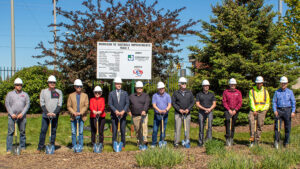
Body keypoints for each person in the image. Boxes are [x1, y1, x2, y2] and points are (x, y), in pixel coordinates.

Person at [37, 75, 63, 152]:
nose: (52, 83)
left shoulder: (58, 92)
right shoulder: (43, 91)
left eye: (54, 82)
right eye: (51, 82)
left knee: (53, 130)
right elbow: (42, 103)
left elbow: (60, 104)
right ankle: (40, 147)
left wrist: (55, 113)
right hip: (46, 115)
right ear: (48, 83)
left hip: (55, 115)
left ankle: (51, 145)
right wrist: (47, 112)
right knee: (43, 130)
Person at [5, 78, 30, 154]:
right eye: (17, 85)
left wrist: (22, 113)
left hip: (22, 117)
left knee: (22, 132)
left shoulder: (25, 94)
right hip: (12, 116)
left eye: (20, 85)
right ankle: (9, 149)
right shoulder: (10, 94)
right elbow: (7, 104)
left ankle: (22, 147)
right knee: (10, 132)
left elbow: (27, 104)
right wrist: (11, 113)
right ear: (15, 86)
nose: (19, 86)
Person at [272, 76, 296, 148]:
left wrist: (293, 111)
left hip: (287, 111)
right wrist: (275, 110)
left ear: (287, 84)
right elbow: (274, 102)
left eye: (285, 83)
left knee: (287, 127)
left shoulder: (290, 92)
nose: (283, 85)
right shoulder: (277, 92)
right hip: (279, 111)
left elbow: (293, 102)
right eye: (282, 83)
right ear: (280, 83)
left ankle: (286, 142)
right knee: (277, 127)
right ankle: (276, 141)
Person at [172, 77, 195, 148]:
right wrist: (179, 109)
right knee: (177, 128)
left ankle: (187, 141)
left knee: (187, 128)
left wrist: (188, 109)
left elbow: (193, 102)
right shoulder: (176, 93)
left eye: (185, 83)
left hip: (187, 113)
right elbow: (173, 103)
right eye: (182, 83)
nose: (184, 84)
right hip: (178, 114)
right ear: (179, 84)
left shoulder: (189, 92)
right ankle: (176, 142)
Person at [67, 79, 89, 150]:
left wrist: (80, 112)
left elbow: (86, 105)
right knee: (73, 132)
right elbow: (68, 106)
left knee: (81, 132)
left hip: (82, 116)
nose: (79, 87)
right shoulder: (71, 95)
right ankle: (74, 145)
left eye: (80, 86)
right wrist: (74, 113)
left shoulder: (85, 95)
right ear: (74, 87)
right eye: (77, 86)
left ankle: (80, 145)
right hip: (73, 117)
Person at [108, 77, 129, 150]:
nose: (119, 85)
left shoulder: (125, 93)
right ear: (115, 84)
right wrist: (115, 111)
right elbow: (110, 104)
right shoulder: (111, 93)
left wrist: (123, 111)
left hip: (123, 115)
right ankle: (114, 144)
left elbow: (127, 103)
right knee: (114, 130)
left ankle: (123, 144)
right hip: (114, 115)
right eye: (117, 84)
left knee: (123, 130)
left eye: (120, 84)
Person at [248, 76, 270, 147]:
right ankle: (252, 140)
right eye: (257, 83)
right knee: (252, 124)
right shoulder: (252, 91)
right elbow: (251, 101)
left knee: (260, 125)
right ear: (256, 83)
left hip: (262, 110)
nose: (259, 84)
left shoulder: (265, 91)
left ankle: (257, 141)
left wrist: (265, 110)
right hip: (253, 110)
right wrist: (254, 110)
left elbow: (267, 102)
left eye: (260, 83)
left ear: (262, 83)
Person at [128, 81, 150, 146]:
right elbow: (127, 104)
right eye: (138, 88)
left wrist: (144, 110)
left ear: (142, 88)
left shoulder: (146, 96)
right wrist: (128, 111)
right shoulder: (131, 96)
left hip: (144, 115)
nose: (139, 89)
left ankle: (144, 140)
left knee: (144, 127)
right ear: (136, 88)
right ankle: (139, 140)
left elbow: (147, 104)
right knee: (137, 129)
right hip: (135, 115)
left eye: (141, 88)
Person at [195, 80, 216, 147]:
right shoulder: (199, 94)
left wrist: (209, 109)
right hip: (201, 112)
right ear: (203, 86)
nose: (206, 87)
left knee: (209, 127)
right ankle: (200, 142)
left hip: (209, 112)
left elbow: (214, 104)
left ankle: (209, 142)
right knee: (201, 127)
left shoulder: (212, 94)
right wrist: (205, 109)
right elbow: (197, 104)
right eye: (205, 86)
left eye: (207, 86)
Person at [222, 78, 242, 146]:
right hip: (228, 110)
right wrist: (229, 110)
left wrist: (235, 110)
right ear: (229, 85)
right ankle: (227, 138)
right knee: (228, 122)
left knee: (233, 124)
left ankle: (231, 138)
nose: (232, 85)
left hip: (235, 110)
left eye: (233, 84)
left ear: (235, 85)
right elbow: (224, 101)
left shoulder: (238, 92)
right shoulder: (226, 92)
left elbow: (240, 102)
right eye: (231, 84)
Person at [151, 82, 172, 147]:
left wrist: (166, 110)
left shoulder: (168, 96)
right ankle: (154, 143)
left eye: (162, 88)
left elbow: (169, 105)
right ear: (158, 89)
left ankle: (161, 142)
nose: (161, 89)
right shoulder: (155, 96)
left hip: (165, 115)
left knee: (163, 129)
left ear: (164, 88)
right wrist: (159, 110)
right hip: (157, 115)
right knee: (155, 129)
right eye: (160, 88)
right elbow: (154, 105)